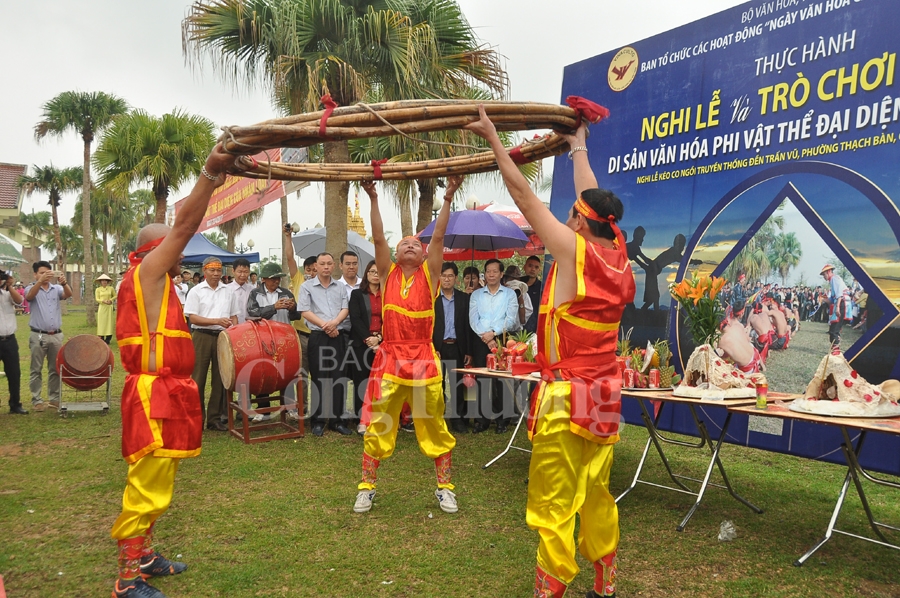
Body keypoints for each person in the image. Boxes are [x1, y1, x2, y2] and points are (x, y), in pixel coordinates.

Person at [467, 104, 635, 598]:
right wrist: (578, 144)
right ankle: (603, 583)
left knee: (554, 499)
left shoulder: (572, 252)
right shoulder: (617, 253)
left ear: (580, 226)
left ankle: (553, 587)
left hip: (567, 397)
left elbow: (522, 193)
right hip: (605, 394)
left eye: (570, 217)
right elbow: (591, 198)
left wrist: (495, 140)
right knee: (597, 491)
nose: (565, 217)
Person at [111, 144, 241, 598]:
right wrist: (208, 174)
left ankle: (145, 556)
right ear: (154, 248)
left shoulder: (160, 283)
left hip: (170, 389)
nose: (180, 249)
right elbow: (185, 227)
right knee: (146, 484)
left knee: (160, 479)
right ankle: (128, 580)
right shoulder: (147, 272)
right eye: (169, 243)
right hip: (153, 393)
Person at [352, 176, 462, 516]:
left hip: (424, 358)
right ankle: (366, 488)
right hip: (391, 359)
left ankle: (445, 488)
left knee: (433, 425)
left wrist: (447, 197)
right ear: (395, 255)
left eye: (416, 242)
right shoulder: (387, 274)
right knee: (380, 426)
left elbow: (439, 235)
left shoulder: (431, 274)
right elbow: (380, 237)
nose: (410, 245)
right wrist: (372, 197)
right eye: (404, 244)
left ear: (425, 253)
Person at [298, 252, 351, 437]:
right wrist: (326, 326)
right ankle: (318, 421)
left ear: (334, 265)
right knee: (320, 378)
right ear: (317, 266)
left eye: (329, 263)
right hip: (318, 336)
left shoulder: (340, 287)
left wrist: (334, 323)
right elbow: (304, 310)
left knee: (339, 378)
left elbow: (346, 308)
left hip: (338, 336)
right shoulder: (306, 287)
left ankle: (337, 420)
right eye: (322, 264)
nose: (326, 267)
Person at [183, 256, 238, 432]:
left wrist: (235, 334)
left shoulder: (228, 291)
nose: (216, 274)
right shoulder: (196, 291)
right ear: (204, 270)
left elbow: (234, 315)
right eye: (212, 270)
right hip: (201, 336)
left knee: (221, 378)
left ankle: (214, 418)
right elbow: (192, 317)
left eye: (219, 270)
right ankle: (196, 418)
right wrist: (216, 320)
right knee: (197, 378)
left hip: (224, 336)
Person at [247, 262, 302, 421]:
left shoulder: (286, 292)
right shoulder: (255, 294)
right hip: (262, 341)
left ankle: (290, 407)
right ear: (264, 279)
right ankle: (263, 409)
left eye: (278, 278)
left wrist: (292, 308)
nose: (276, 281)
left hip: (284, 339)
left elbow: (296, 316)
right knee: (263, 372)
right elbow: (252, 313)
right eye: (273, 279)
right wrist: (274, 307)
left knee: (288, 371)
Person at [469, 258, 518, 433]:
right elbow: (473, 319)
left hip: (503, 339)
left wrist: (494, 333)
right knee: (482, 379)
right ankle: (482, 420)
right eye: (488, 271)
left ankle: (502, 421)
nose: (491, 274)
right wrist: (487, 338)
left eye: (494, 271)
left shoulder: (509, 294)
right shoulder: (476, 295)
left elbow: (511, 319)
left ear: (501, 274)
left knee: (502, 380)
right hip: (481, 340)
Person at [24, 261, 72, 412]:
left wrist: (64, 283)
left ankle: (54, 398)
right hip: (38, 335)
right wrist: (39, 282)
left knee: (55, 368)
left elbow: (68, 294)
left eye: (48, 272)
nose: (45, 275)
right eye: (42, 272)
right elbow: (29, 297)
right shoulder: (31, 288)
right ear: (35, 274)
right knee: (35, 369)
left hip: (56, 335)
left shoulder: (56, 289)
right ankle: (37, 400)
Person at [432, 261, 473, 434]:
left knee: (458, 385)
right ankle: (436, 419)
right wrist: (433, 347)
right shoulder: (432, 299)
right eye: (443, 275)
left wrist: (469, 350)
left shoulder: (464, 298)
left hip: (457, 346)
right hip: (438, 348)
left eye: (450, 275)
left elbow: (468, 326)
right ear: (439, 277)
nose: (446, 279)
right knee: (436, 385)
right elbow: (429, 325)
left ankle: (458, 420)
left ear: (456, 278)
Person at [348, 260, 384, 434]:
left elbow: (390, 319)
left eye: (378, 272)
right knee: (362, 382)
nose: (375, 275)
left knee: (381, 383)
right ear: (367, 274)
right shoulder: (357, 294)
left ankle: (380, 419)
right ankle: (361, 419)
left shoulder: (388, 295)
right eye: (372, 271)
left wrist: (379, 338)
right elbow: (355, 319)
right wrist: (369, 339)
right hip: (361, 345)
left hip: (383, 345)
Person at [0, 271, 26, 414]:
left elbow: (19, 300)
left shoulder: (8, 295)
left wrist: (9, 286)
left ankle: (15, 404)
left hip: (9, 339)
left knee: (14, 373)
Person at [821, 263, 851, 348]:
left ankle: (836, 351)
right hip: (840, 302)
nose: (824, 277)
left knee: (834, 330)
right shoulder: (833, 280)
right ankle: (836, 349)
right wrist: (823, 299)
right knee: (834, 329)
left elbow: (839, 295)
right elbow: (831, 300)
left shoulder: (834, 279)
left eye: (824, 274)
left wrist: (837, 307)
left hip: (841, 303)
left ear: (828, 272)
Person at [226, 258, 254, 325]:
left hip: (248, 327)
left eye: (246, 272)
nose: (243, 275)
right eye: (240, 272)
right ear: (233, 271)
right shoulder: (226, 289)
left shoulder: (253, 290)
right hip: (230, 328)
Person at [520, 256, 543, 333]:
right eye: (530, 266)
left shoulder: (542, 287)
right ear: (524, 267)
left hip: (535, 330)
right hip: (516, 329)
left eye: (536, 267)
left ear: (539, 270)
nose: (533, 269)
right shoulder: (516, 285)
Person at [95, 273, 116, 344]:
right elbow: (97, 298)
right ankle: (101, 338)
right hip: (102, 307)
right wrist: (103, 301)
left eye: (106, 280)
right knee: (101, 322)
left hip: (109, 307)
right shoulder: (98, 289)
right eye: (103, 281)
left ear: (107, 281)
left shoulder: (111, 288)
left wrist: (111, 300)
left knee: (109, 322)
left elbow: (115, 296)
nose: (104, 282)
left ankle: (108, 338)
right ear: (100, 282)